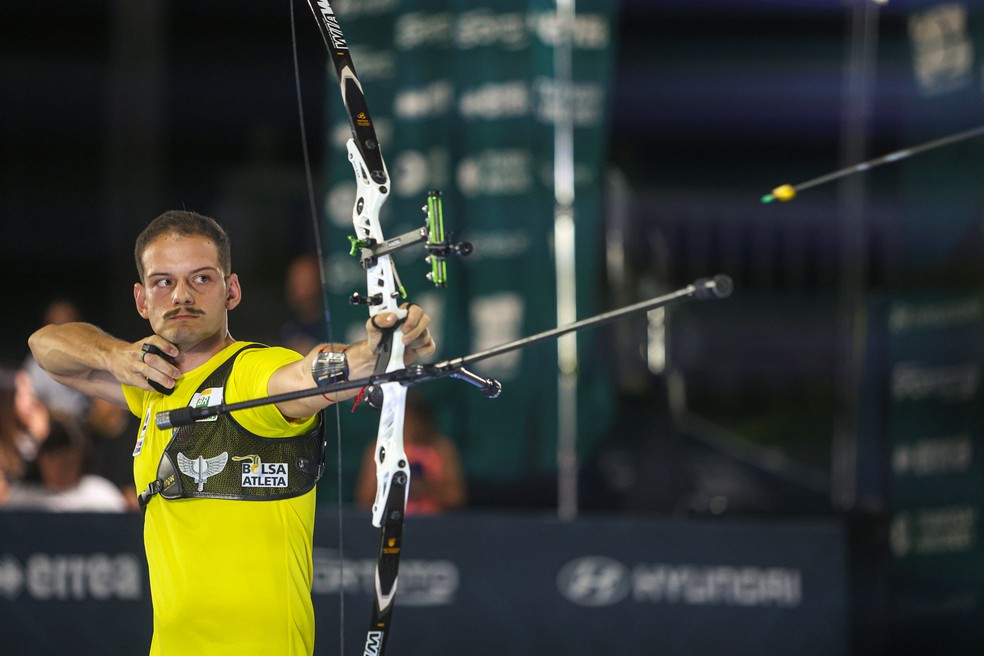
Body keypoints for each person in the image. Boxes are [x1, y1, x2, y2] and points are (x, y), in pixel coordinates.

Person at [28, 210, 434, 656]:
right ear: (142, 301)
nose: (182, 295)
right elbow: (45, 346)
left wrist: (373, 353)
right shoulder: (151, 386)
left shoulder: (252, 371)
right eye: (164, 282)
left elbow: (306, 374)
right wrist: (116, 355)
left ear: (232, 291)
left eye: (201, 278)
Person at [355, 390, 466, 515]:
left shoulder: (442, 448)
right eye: (401, 419)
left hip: (434, 526)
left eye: (413, 419)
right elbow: (365, 498)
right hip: (388, 524)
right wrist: (396, 487)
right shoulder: (380, 448)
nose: (408, 426)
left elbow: (456, 497)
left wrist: (425, 488)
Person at [4, 419, 128, 512]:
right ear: (42, 459)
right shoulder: (20, 502)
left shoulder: (103, 497)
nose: (65, 469)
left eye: (71, 463)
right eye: (60, 462)